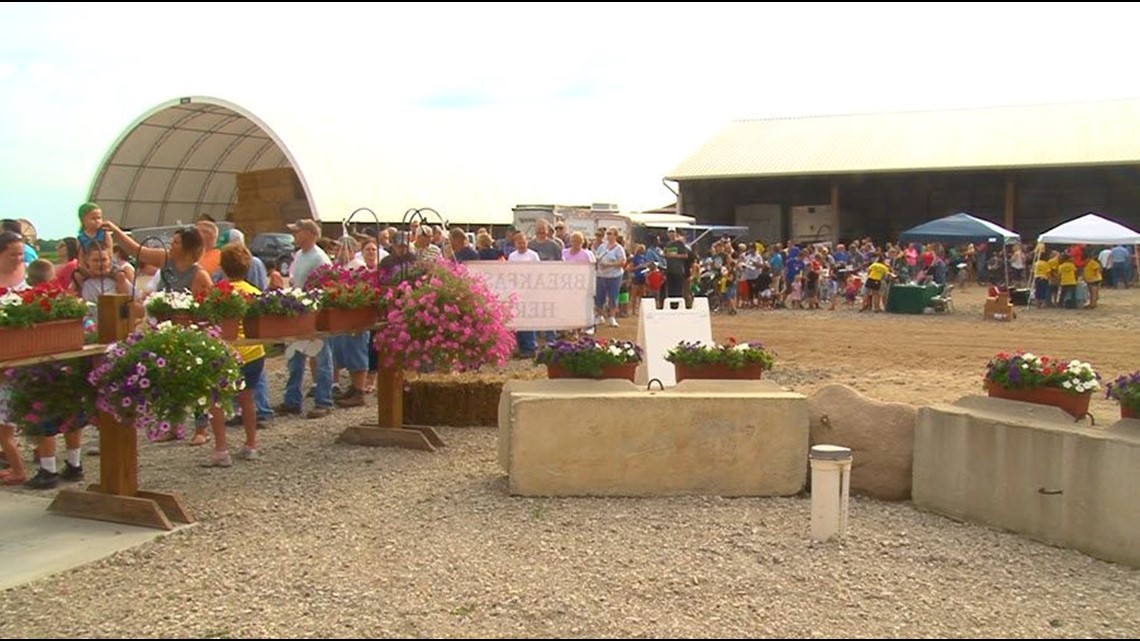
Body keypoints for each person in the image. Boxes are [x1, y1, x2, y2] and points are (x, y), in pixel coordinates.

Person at [202, 245, 267, 467]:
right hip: (253, 352)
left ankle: (221, 449)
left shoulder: (218, 292)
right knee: (247, 398)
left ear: (222, 266)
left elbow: (211, 322)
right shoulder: (254, 292)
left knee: (216, 400)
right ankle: (251, 445)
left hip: (226, 352)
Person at [279, 219, 334, 420]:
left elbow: (325, 287)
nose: (294, 235)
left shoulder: (320, 258)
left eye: (297, 231)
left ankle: (324, 401)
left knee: (321, 357)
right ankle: (292, 401)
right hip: (298, 312)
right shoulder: (300, 255)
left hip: (314, 314)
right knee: (295, 358)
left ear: (309, 234)